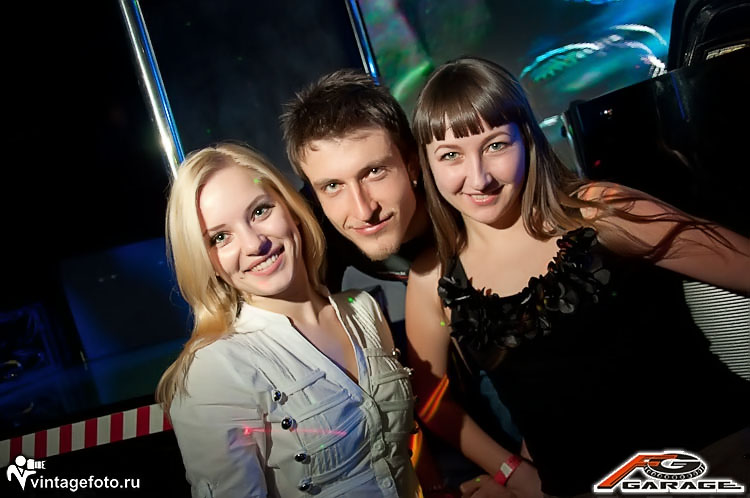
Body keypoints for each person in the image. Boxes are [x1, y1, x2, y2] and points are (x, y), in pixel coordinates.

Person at [406, 56, 750, 498]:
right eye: (451, 155)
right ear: (427, 165)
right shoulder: (435, 281)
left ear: (527, 139)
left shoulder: (600, 212)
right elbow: (431, 400)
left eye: (496, 145)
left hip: (713, 465)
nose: (479, 177)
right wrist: (512, 471)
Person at [280, 70, 523, 496]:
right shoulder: (316, 230)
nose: (363, 210)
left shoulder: (463, 187)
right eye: (332, 185)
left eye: (375, 172)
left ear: (412, 163)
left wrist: (521, 471)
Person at [155, 142, 419, 497]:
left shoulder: (362, 310)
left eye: (260, 211)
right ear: (206, 261)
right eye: (220, 237)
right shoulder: (216, 368)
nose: (254, 244)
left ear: (291, 208)